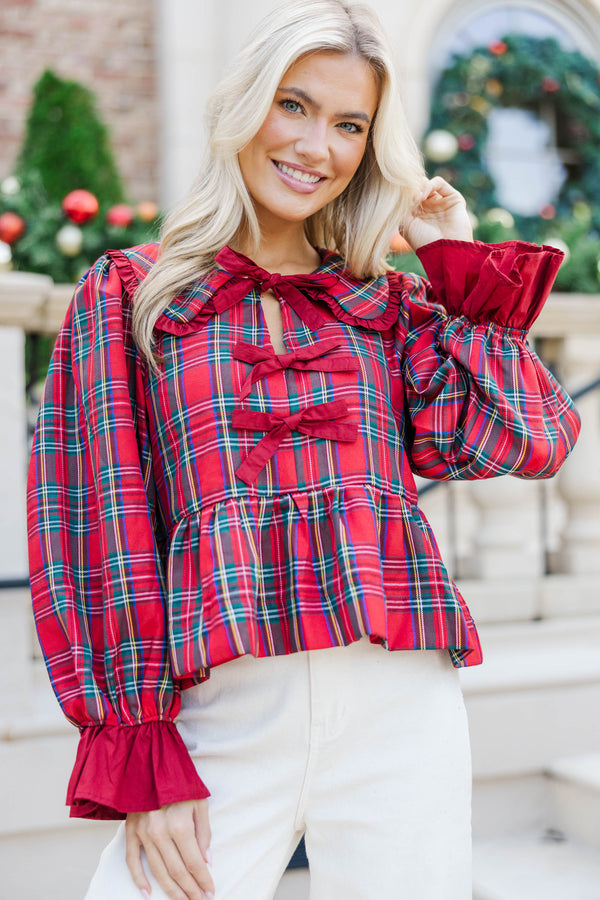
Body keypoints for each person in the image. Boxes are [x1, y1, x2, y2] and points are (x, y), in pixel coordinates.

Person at [27, 1, 580, 898]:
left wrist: (453, 262)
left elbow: (530, 436)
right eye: (294, 105)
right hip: (222, 710)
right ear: (245, 104)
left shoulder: (389, 306)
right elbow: (95, 532)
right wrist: (142, 747)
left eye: (349, 124)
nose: (315, 145)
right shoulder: (133, 294)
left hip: (402, 703)